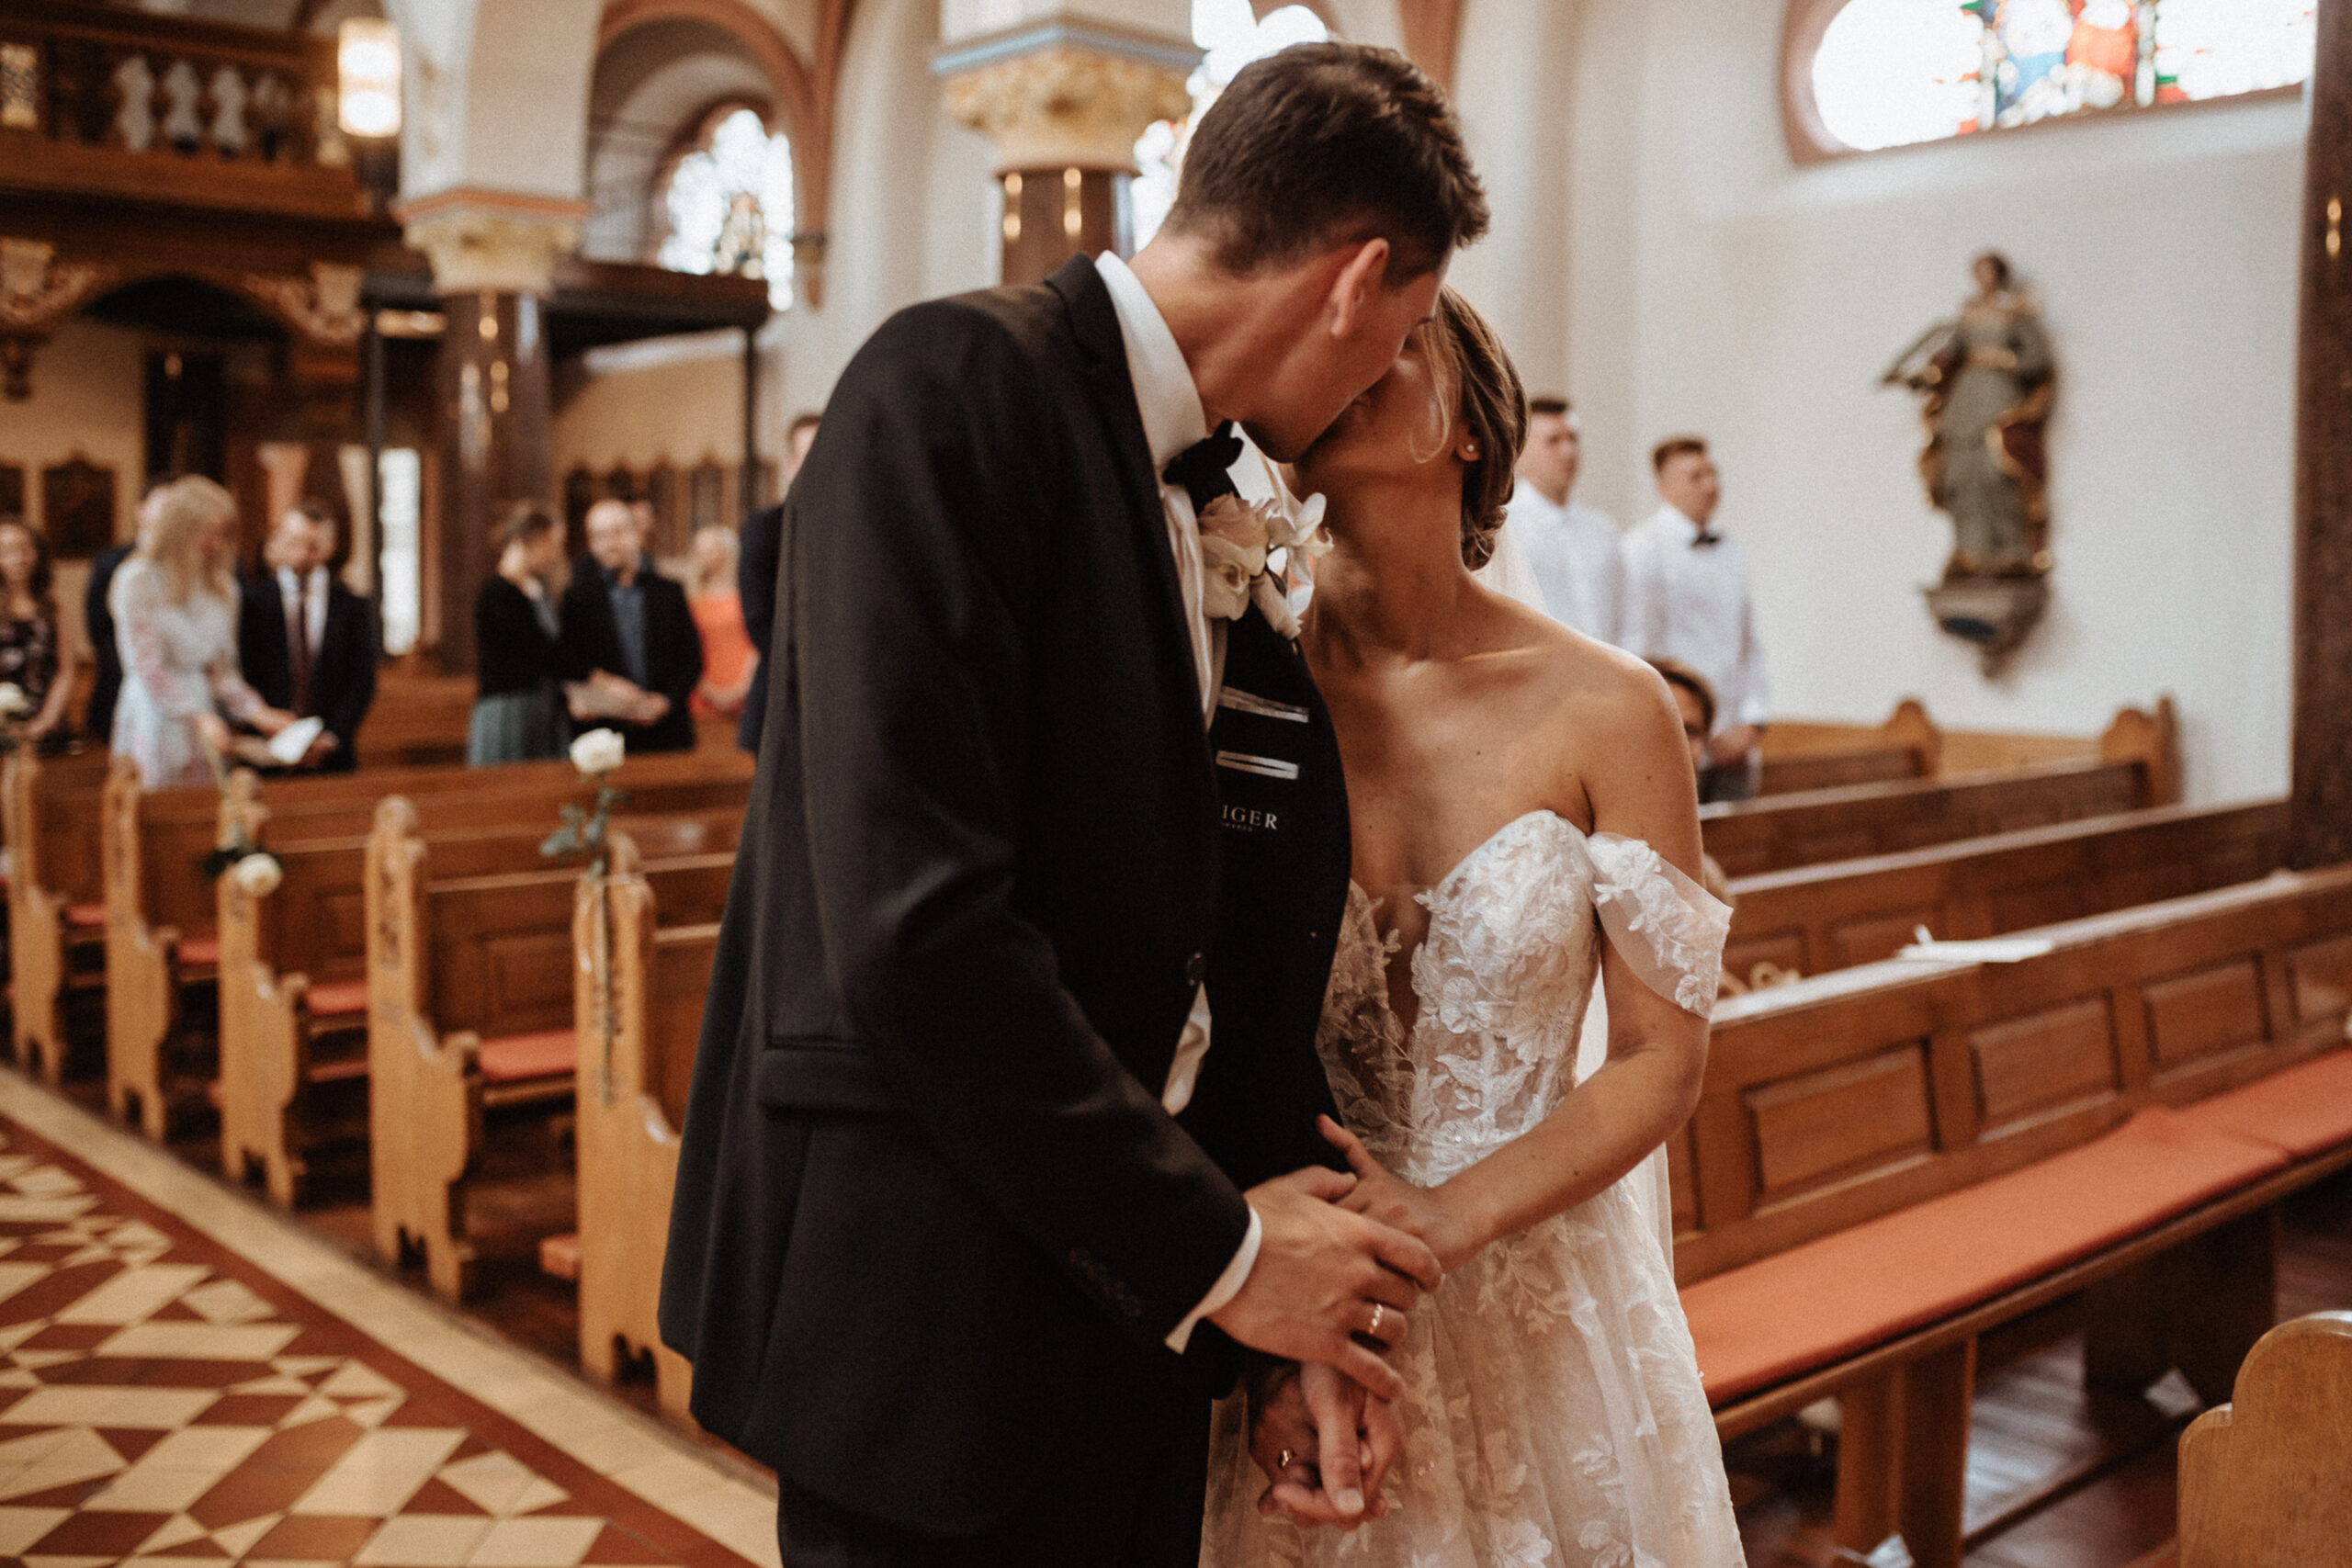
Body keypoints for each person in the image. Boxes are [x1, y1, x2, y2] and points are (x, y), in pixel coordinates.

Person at [662, 41, 1487, 1568]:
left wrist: (1270, 1317)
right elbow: (919, 932)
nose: (1392, 371)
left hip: (1133, 1304)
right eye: (1412, 329)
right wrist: (1233, 1256)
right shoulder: (951, 388)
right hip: (933, 1309)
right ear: (1356, 281)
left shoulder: (1224, 489)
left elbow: (1222, 929)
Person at [1201, 288, 1741, 1568]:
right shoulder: (1233, 684)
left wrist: (1442, 1220)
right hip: (1287, 1275)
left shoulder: (1613, 707)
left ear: (1472, 429)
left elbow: (1663, 1056)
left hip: (1529, 1280)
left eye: (1399, 337)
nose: (1354, 355)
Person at [108, 476, 296, 787]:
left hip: (204, 711)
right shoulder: (136, 580)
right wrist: (197, 717)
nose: (215, 544)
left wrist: (259, 713)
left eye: (222, 534)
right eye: (207, 532)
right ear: (180, 528)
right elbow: (146, 666)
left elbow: (220, 671)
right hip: (153, 711)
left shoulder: (224, 588)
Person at [1621, 436, 1768, 803]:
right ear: (1664, 487)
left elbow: (1749, 644)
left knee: (1741, 850)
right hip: (1680, 742)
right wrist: (1694, 733)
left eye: (1713, 473)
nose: (1711, 485)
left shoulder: (1731, 552)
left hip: (1737, 740)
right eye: (1696, 476)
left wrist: (1751, 722)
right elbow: (1641, 653)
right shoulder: (1641, 550)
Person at [237, 500, 378, 772]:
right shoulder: (253, 603)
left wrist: (333, 735)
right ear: (278, 542)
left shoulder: (351, 606)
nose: (302, 554)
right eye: (294, 543)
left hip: (331, 753)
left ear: (330, 546)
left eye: (312, 546)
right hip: (267, 748)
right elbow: (244, 670)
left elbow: (361, 679)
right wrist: (269, 726)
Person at [560, 498, 700, 754]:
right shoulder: (577, 598)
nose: (610, 544)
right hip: (604, 736)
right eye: (599, 536)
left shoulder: (669, 592)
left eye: (617, 532)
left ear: (635, 533)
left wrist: (666, 701)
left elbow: (692, 658)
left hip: (666, 730)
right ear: (591, 543)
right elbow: (568, 662)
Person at [469, 502, 590, 765]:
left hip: (540, 707)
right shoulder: (497, 594)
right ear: (532, 541)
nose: (556, 555)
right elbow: (538, 651)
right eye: (552, 545)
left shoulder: (536, 589)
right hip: (509, 710)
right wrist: (591, 677)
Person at [1504, 396, 1623, 643]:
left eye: (1573, 439)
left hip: (1606, 673)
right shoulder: (1504, 528)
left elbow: (1626, 619)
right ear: (1521, 452)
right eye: (1553, 441)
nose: (1568, 451)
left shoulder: (1603, 530)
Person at [735, 409, 820, 753]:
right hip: (785, 694)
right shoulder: (766, 529)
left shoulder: (857, 532)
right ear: (789, 465)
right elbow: (760, 620)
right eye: (808, 456)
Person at [83, 483, 163, 744]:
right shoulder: (112, 563)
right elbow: (99, 631)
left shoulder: (202, 566)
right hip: (123, 688)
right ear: (140, 510)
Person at [0, 518, 76, 750]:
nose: (18, 559)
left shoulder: (51, 607)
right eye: (8, 551)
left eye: (25, 550)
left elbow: (65, 670)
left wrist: (45, 721)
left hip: (43, 720)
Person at [686, 525, 757, 720]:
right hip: (704, 692)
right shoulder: (692, 599)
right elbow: (685, 651)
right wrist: (709, 690)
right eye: (698, 550)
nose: (703, 556)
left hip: (745, 689)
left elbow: (756, 644)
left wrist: (742, 688)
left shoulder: (746, 596)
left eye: (709, 550)